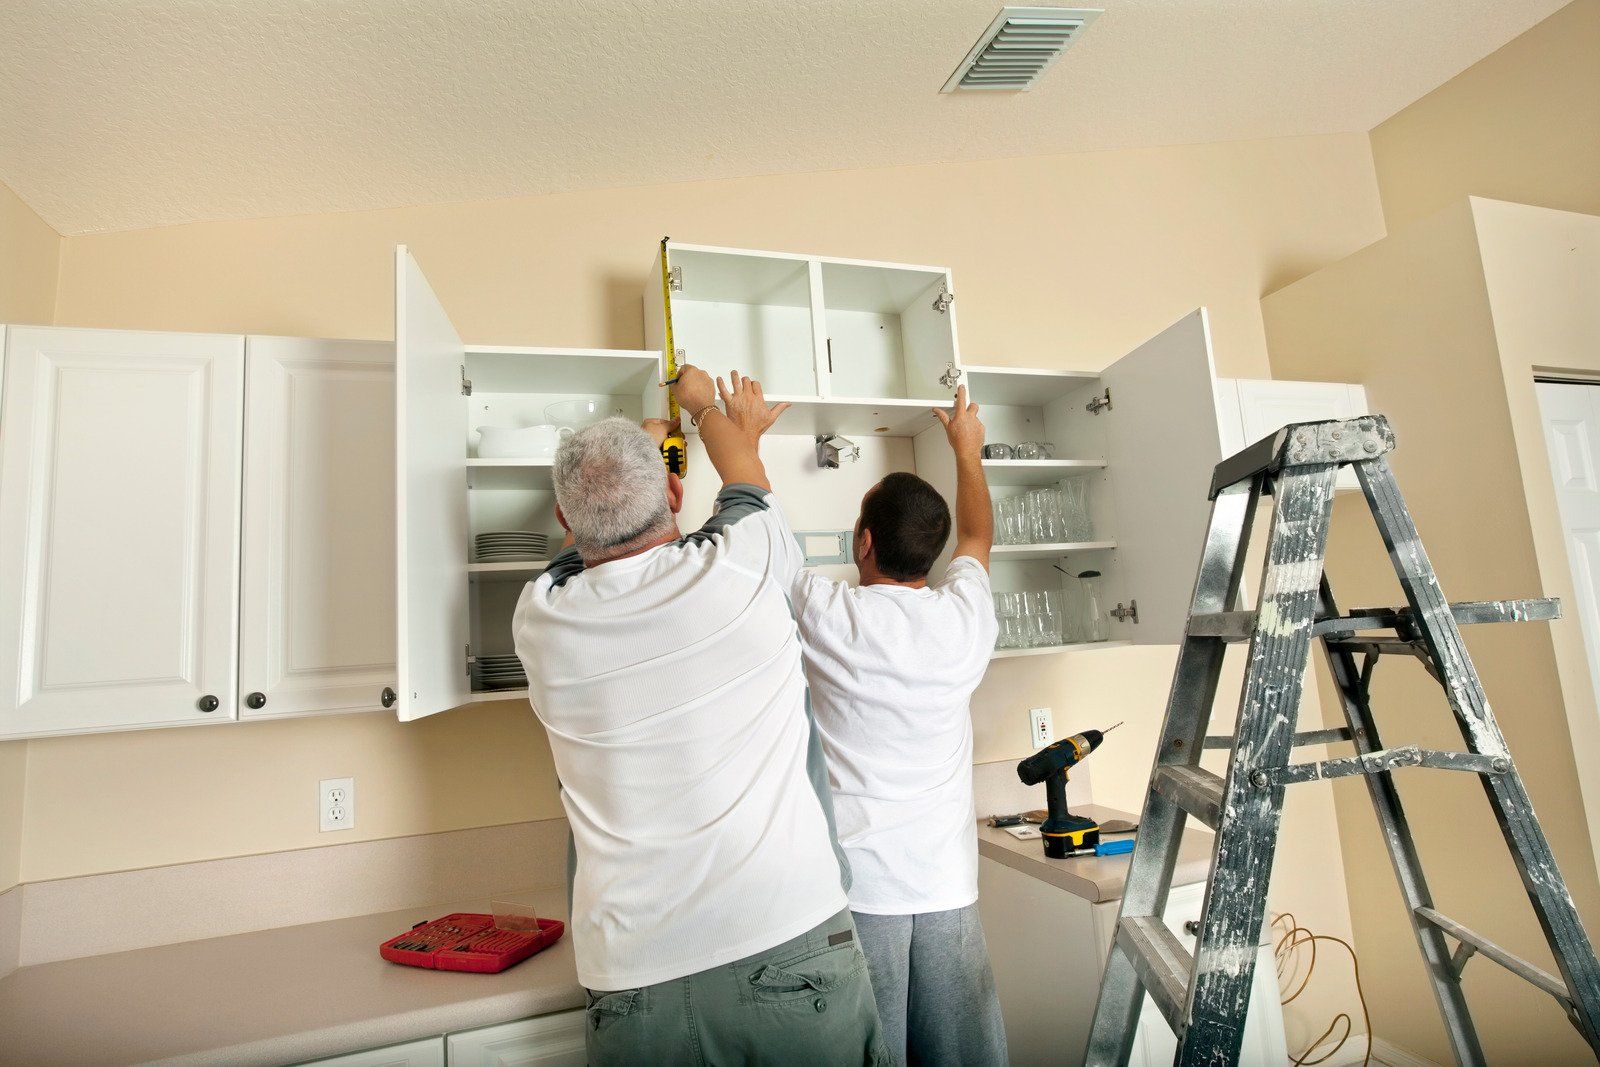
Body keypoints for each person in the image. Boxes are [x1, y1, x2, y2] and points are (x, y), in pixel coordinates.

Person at [512, 365, 888, 1067]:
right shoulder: (745, 565)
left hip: (634, 980)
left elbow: (578, 560)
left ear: (565, 520)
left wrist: (648, 446)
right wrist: (704, 406)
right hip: (787, 939)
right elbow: (744, 474)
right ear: (677, 493)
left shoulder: (540, 620)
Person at [779, 385, 1008, 1067]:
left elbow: (765, 539)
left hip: (860, 893)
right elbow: (978, 534)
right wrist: (967, 448)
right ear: (932, 554)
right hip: (947, 889)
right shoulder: (965, 617)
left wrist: (734, 430)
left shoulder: (830, 613)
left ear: (864, 539)